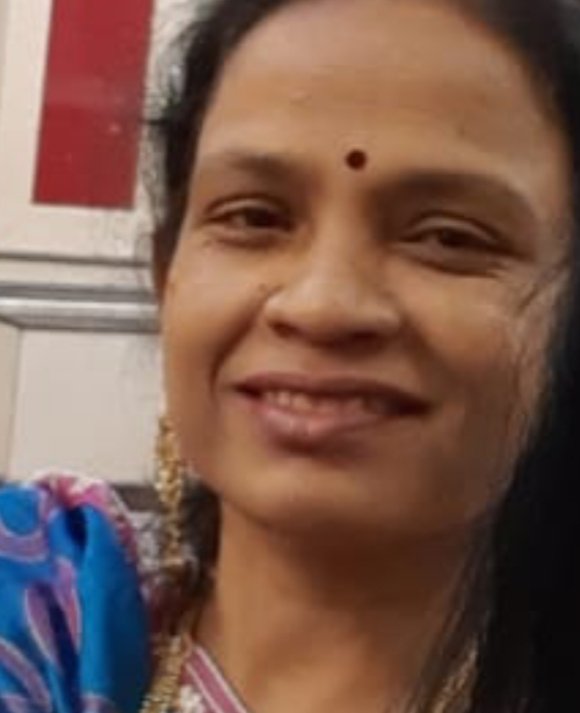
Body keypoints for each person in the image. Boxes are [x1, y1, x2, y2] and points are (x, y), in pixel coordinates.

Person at [2, 0, 580, 711]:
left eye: (448, 237)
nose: (323, 305)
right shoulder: (36, 609)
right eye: (254, 217)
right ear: (166, 274)